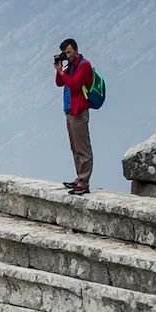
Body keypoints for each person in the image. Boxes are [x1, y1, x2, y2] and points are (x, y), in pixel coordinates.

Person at [53, 37, 94, 195]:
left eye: (69, 52)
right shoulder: (70, 66)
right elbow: (59, 83)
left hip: (79, 110)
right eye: (65, 53)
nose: (67, 55)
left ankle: (84, 182)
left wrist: (63, 73)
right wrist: (60, 69)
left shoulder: (84, 65)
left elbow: (75, 85)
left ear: (76, 50)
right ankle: (79, 178)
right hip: (69, 110)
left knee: (83, 148)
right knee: (74, 147)